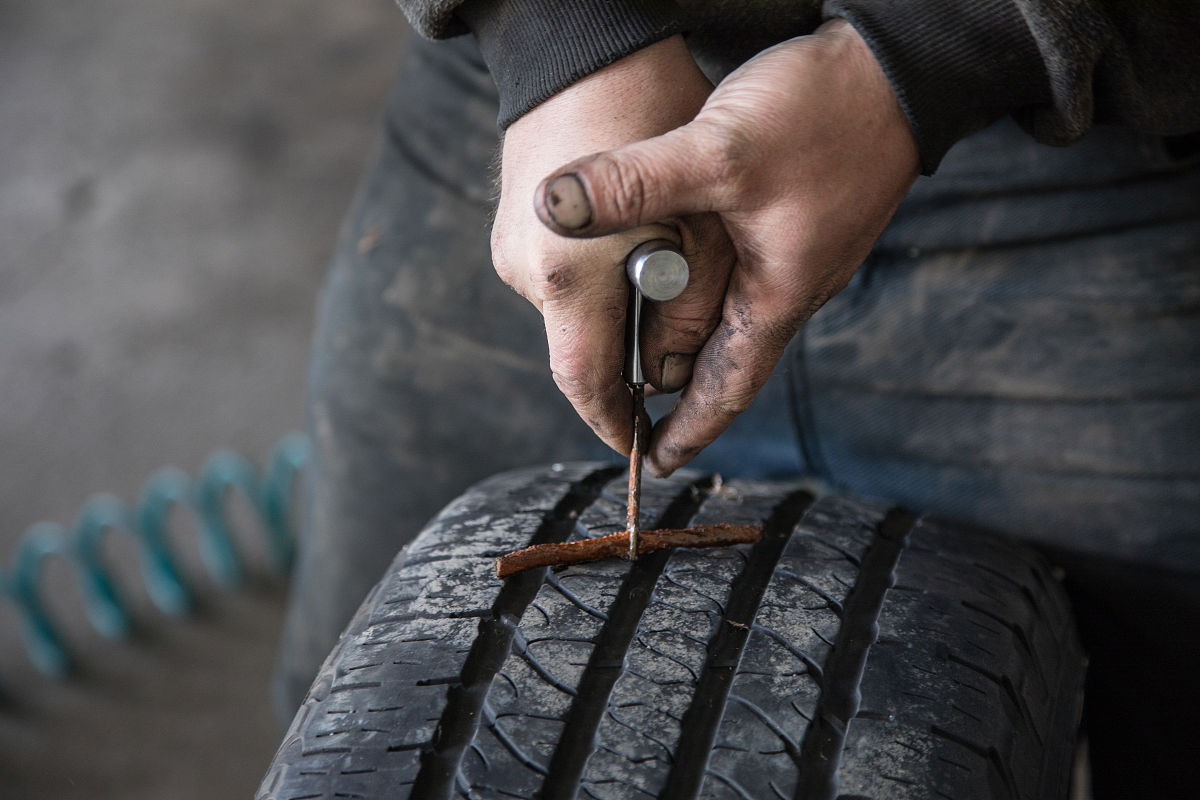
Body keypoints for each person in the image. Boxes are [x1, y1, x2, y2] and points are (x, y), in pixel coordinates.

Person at [273, 3, 1200, 796]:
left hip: (1082, 137)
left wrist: (939, 43)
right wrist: (559, 34)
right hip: (541, 120)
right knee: (372, 720)